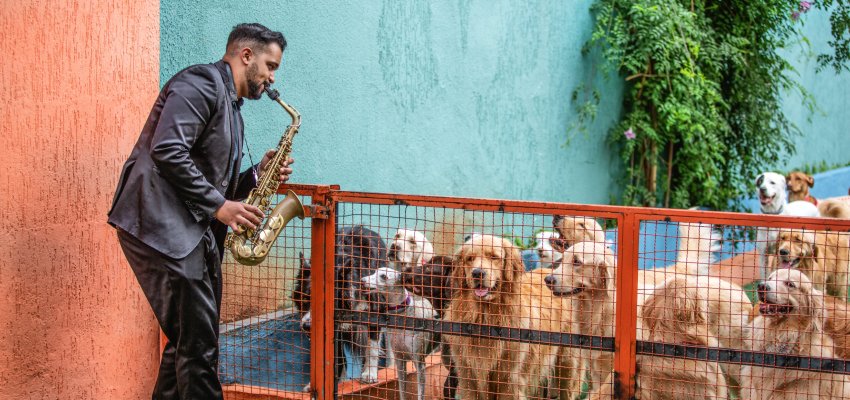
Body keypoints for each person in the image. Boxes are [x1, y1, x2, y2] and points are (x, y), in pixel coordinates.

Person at [107, 23, 293, 400]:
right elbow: (167, 150)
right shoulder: (201, 83)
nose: (272, 78)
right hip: (161, 228)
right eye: (270, 66)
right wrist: (219, 206)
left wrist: (257, 174)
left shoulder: (232, 109)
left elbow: (212, 180)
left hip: (187, 232)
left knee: (188, 344)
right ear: (246, 56)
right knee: (199, 350)